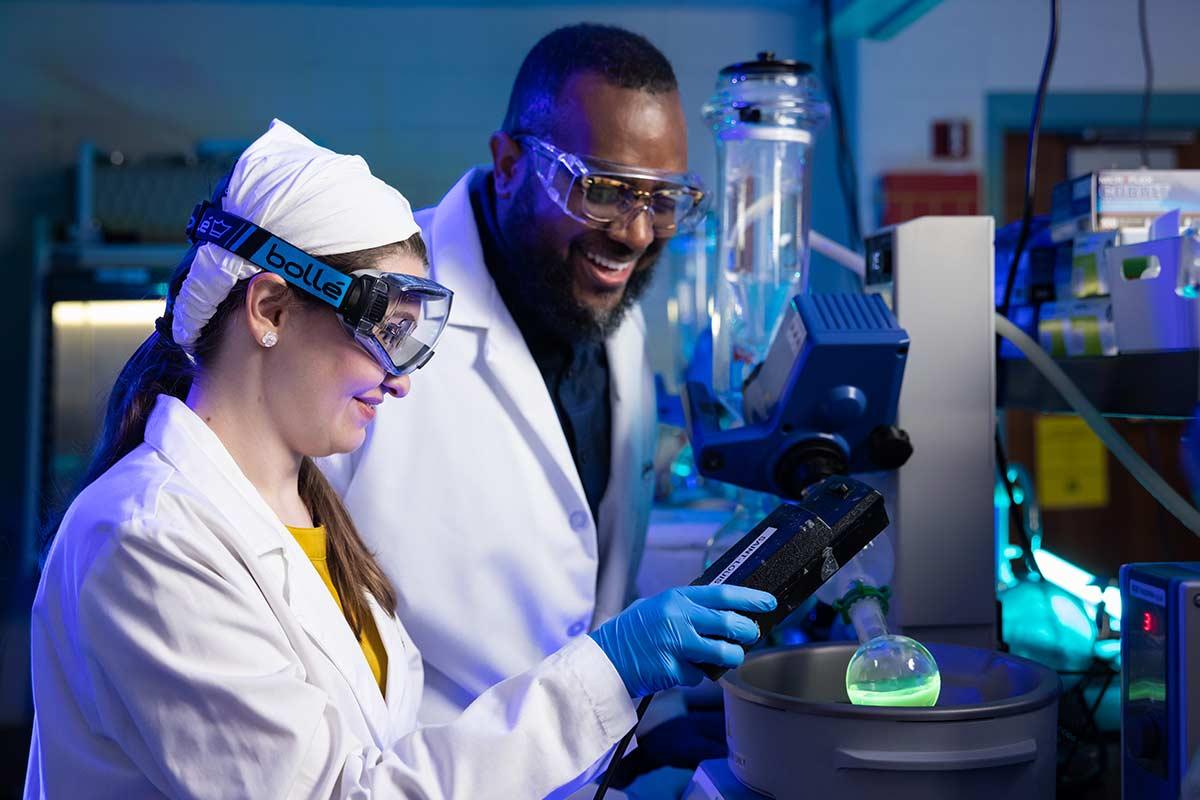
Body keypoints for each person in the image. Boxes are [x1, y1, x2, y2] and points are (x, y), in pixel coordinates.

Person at [24, 120, 774, 799]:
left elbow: (388, 749)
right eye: (383, 331)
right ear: (271, 309)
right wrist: (606, 669)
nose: (402, 378)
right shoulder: (145, 542)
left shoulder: (307, 504)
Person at [320, 25, 711, 784]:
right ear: (509, 164)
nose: (635, 234)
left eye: (663, 201)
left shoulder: (612, 314)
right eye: (602, 190)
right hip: (417, 776)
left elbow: (593, 585)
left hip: (587, 770)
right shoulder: (379, 308)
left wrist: (647, 727)